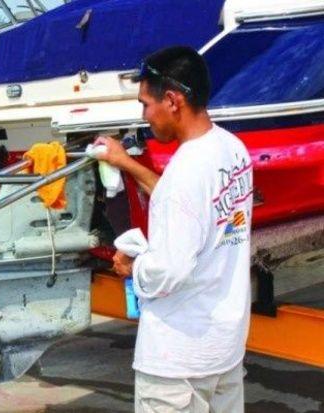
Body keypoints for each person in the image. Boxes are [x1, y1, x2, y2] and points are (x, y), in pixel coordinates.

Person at [95, 46, 253, 412]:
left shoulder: (185, 175)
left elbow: (168, 270)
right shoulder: (232, 150)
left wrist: (133, 268)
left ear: (172, 100)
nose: (144, 115)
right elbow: (190, 205)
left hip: (177, 364)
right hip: (224, 351)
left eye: (146, 104)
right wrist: (124, 162)